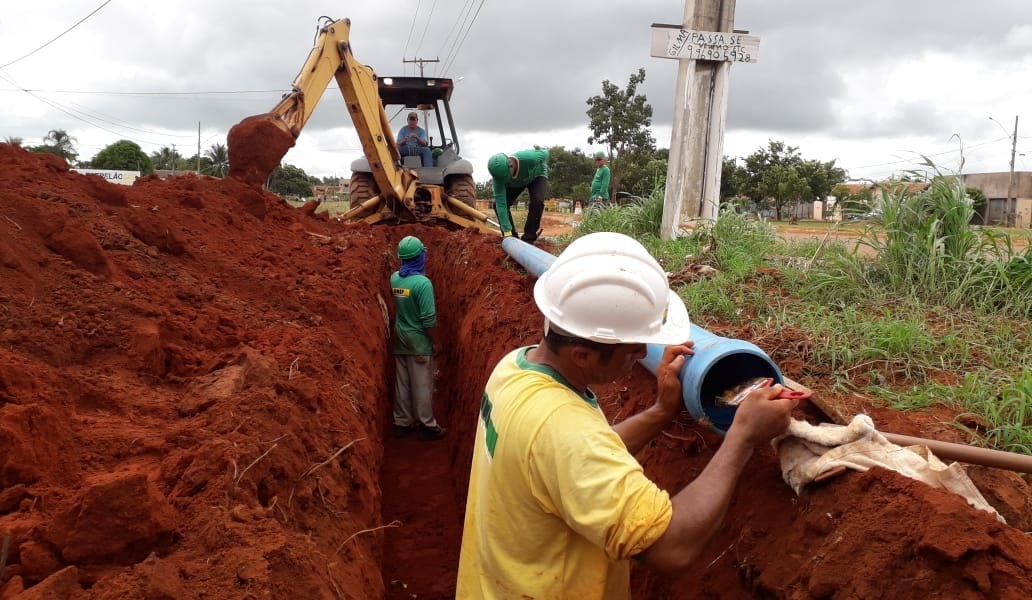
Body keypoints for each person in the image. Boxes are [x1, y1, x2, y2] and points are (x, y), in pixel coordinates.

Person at [456, 232, 797, 599]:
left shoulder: (517, 368)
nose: (641, 354)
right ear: (583, 355)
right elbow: (671, 548)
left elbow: (574, 463)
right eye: (632, 348)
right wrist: (742, 437)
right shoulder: (563, 432)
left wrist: (662, 411)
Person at [390, 235, 446, 440]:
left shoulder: (394, 278)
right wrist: (436, 341)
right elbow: (428, 320)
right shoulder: (423, 284)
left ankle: (402, 422)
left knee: (402, 382)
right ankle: (427, 424)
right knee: (422, 383)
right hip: (419, 341)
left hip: (401, 337)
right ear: (419, 258)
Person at [486, 148, 549, 243]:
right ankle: (511, 237)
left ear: (511, 166)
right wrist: (507, 232)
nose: (502, 182)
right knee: (497, 205)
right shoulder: (498, 181)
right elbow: (501, 205)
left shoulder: (528, 158)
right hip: (516, 183)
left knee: (537, 201)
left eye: (504, 178)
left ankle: (529, 238)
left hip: (537, 175)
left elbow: (545, 153)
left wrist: (540, 149)